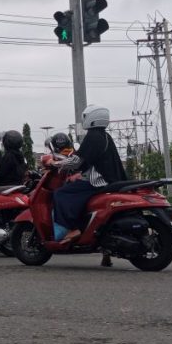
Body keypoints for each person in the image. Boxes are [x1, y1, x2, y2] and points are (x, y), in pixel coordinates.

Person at [53, 105, 127, 246]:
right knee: (74, 188)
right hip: (111, 179)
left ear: (92, 118)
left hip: (100, 181)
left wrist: (55, 163)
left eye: (85, 117)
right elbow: (90, 160)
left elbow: (77, 160)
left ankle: (73, 228)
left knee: (61, 193)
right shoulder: (105, 136)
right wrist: (79, 174)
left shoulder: (93, 136)